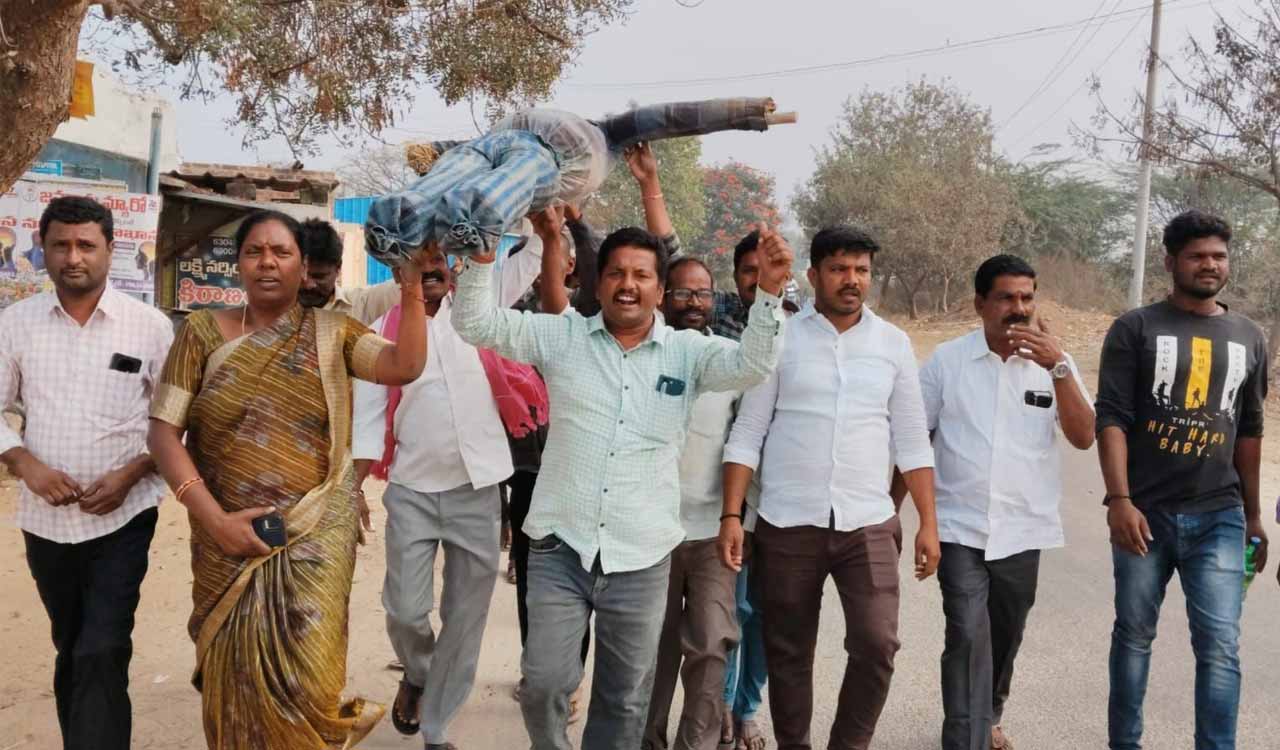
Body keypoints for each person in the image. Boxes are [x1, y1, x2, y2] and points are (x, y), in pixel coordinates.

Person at [452, 217, 790, 750]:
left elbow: (753, 364)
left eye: (640, 274)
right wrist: (481, 259)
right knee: (544, 684)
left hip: (643, 555)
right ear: (598, 282)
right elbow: (473, 324)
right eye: (615, 273)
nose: (627, 284)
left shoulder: (688, 352)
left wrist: (769, 294)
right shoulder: (561, 336)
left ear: (659, 287)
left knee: (625, 699)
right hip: (560, 546)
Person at [147, 209, 428, 749]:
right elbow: (163, 434)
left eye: (282, 252)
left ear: (305, 268)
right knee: (235, 680)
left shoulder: (334, 332)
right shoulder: (201, 333)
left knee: (312, 681)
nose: (268, 262)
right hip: (225, 539)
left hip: (314, 539)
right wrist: (214, 520)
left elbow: (403, 366)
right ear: (239, 266)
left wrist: (411, 285)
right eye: (255, 252)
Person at [719, 225, 940, 750]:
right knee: (788, 649)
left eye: (861, 270)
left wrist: (928, 522)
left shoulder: (893, 344)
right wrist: (733, 516)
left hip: (867, 521)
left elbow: (911, 438)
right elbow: (749, 431)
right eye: (839, 269)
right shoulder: (779, 338)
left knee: (877, 642)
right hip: (788, 522)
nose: (852, 280)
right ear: (814, 275)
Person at [351, 213, 551, 749]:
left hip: (479, 488)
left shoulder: (480, 312)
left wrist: (509, 209)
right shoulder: (378, 334)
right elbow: (368, 418)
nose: (431, 265)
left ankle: (437, 726)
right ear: (401, 269)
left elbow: (530, 252)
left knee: (465, 616)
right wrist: (352, 492)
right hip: (413, 489)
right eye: (419, 258)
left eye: (439, 257)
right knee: (405, 609)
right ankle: (419, 673)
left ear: (454, 264)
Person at [0, 196, 173, 750]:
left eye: (85, 245)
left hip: (125, 516)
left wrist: (133, 471)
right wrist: (26, 464)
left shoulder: (149, 327)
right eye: (60, 245)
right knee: (72, 643)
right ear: (42, 251)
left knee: (103, 644)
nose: (73, 257)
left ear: (110, 249)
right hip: (45, 522)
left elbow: (176, 420)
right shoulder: (15, 324)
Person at [902, 254, 1095, 750]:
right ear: (980, 304)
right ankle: (964, 738)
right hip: (958, 525)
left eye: (1027, 298)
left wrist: (1058, 368)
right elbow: (912, 438)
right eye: (1006, 298)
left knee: (1006, 633)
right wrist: (895, 516)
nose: (1018, 308)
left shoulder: (1055, 365)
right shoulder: (947, 361)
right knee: (966, 632)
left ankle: (989, 713)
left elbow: (1083, 435)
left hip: (1022, 530)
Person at [1096, 210, 1268, 750]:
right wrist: (1119, 500)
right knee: (1134, 638)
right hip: (1144, 515)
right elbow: (1112, 418)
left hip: (1220, 515)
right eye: (1197, 256)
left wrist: (1254, 515)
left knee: (1220, 646)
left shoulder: (1249, 336)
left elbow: (1250, 429)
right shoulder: (1136, 328)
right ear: (1171, 262)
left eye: (1218, 255)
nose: (1209, 265)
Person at [365, 97, 791, 264]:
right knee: (496, 169)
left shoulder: (603, 136)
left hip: (507, 154)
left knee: (466, 168)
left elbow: (677, 118)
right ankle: (409, 221)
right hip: (525, 157)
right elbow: (675, 119)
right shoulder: (608, 133)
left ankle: (399, 219)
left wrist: (748, 114)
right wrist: (747, 113)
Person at [642, 257, 744, 750]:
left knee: (710, 643)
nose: (694, 302)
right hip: (649, 532)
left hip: (711, 532)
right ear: (662, 296)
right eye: (683, 293)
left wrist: (737, 517)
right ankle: (647, 740)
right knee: (651, 650)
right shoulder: (642, 354)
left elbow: (746, 443)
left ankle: (697, 744)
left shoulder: (730, 359)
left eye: (703, 293)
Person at [297, 217, 401, 325]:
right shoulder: (279, 311)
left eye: (319, 277)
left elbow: (407, 283)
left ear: (338, 268)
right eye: (300, 274)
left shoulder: (361, 306)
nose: (308, 284)